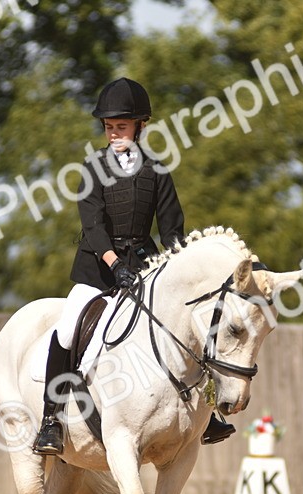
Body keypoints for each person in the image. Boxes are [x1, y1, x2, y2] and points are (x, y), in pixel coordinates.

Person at [32, 77, 236, 455]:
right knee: (66, 329)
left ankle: (208, 418)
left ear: (140, 126)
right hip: (97, 268)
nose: (113, 133)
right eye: (109, 127)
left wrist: (179, 269)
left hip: (146, 266)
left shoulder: (156, 171)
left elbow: (173, 229)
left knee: (191, 322)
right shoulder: (92, 168)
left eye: (121, 127)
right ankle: (50, 420)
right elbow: (91, 226)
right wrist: (113, 263)